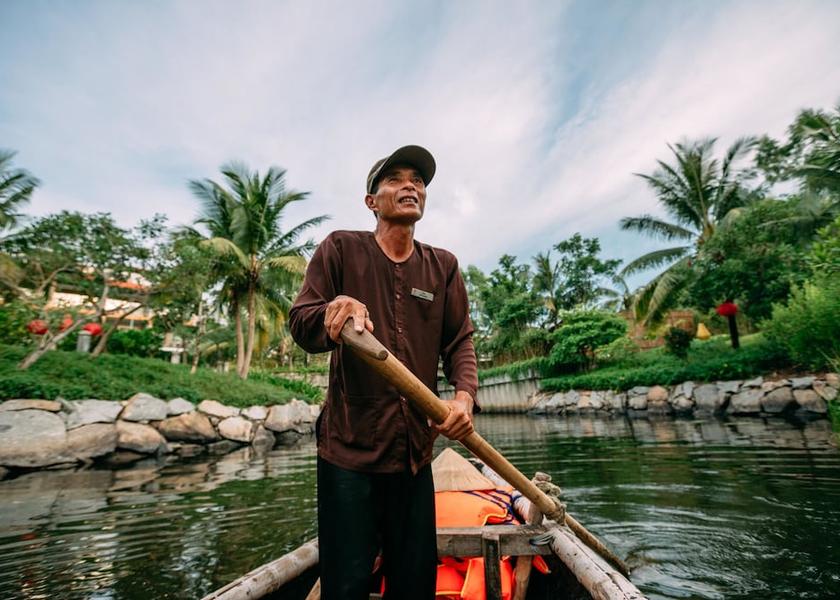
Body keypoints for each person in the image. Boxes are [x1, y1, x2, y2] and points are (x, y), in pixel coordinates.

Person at [289, 144, 479, 600]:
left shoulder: (443, 266)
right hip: (348, 452)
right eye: (395, 179)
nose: (410, 185)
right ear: (371, 201)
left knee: (415, 581)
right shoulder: (340, 248)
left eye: (417, 180)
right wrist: (333, 311)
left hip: (414, 452)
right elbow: (301, 321)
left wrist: (462, 399)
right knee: (347, 583)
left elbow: (460, 342)